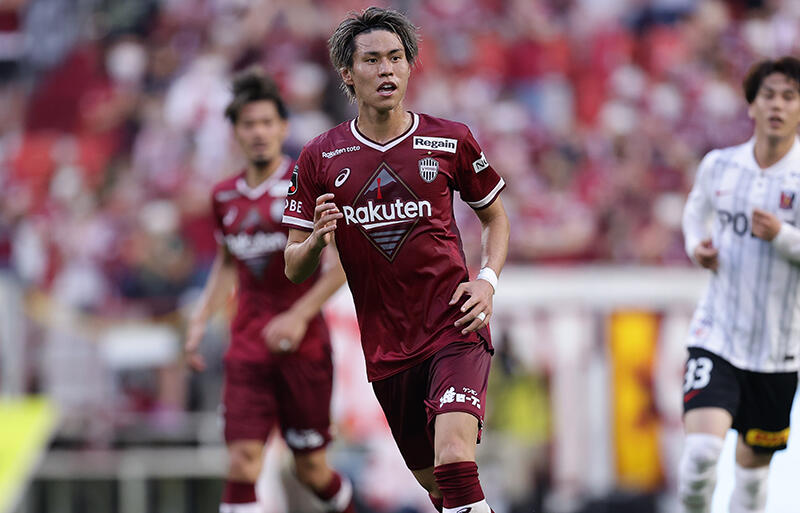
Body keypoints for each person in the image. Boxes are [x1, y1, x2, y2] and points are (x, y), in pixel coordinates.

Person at [282, 7, 510, 513]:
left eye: (395, 58)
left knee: (454, 459)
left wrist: (487, 280)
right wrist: (317, 240)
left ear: (409, 66)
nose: (386, 69)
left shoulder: (449, 139)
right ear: (348, 73)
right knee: (441, 491)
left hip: (455, 325)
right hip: (388, 349)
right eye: (372, 60)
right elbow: (292, 266)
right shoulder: (319, 156)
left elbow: (495, 218)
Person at [184, 68, 354, 513]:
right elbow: (227, 263)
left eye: (266, 122)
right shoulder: (223, 197)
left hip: (304, 347)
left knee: (310, 469)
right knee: (242, 462)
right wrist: (200, 320)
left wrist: (298, 315)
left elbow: (343, 267)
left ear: (282, 127)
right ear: (235, 132)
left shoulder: (308, 186)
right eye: (248, 124)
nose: (258, 132)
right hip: (247, 346)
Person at [680, 56, 800, 513]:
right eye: (768, 95)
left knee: (751, 481)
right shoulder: (720, 165)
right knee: (700, 457)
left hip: (778, 353)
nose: (777, 105)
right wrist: (697, 247)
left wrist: (783, 236)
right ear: (751, 105)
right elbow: (695, 213)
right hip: (717, 336)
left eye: (789, 96)